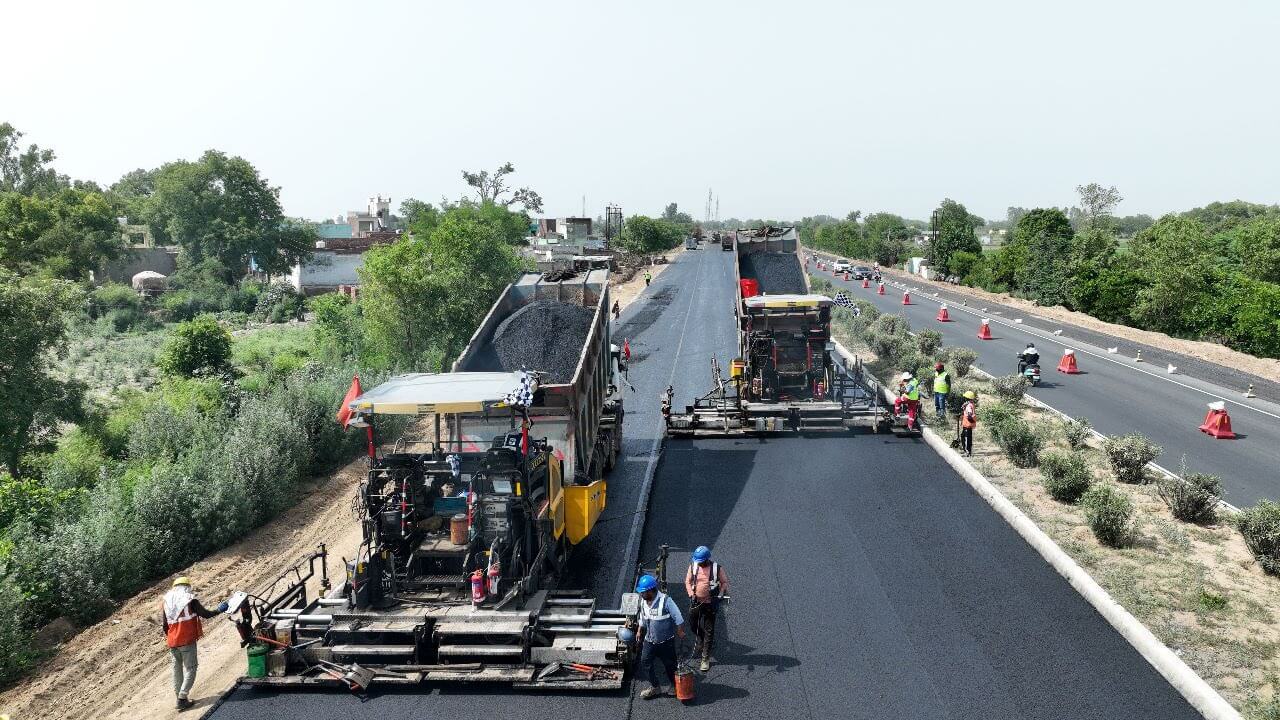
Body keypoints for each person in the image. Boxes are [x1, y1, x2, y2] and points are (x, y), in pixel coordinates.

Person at [162, 577, 227, 711]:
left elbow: (165, 625)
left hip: (173, 642)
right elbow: (206, 614)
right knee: (191, 668)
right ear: (186, 587)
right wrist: (219, 610)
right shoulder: (190, 600)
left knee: (177, 670)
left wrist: (172, 637)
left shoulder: (166, 602)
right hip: (186, 640)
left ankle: (180, 697)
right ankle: (182, 698)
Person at [634, 574, 687, 700]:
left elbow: (678, 617)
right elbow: (642, 617)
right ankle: (655, 687)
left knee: (670, 665)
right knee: (645, 662)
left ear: (651, 590)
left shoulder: (666, 601)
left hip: (665, 642)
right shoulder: (643, 602)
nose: (641, 594)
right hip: (649, 640)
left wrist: (680, 631)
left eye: (643, 592)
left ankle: (674, 685)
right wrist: (639, 630)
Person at [683, 545, 729, 671]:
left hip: (711, 603)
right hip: (696, 602)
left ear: (707, 559)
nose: (699, 563)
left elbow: (724, 583)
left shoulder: (717, 568)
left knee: (709, 629)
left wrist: (720, 594)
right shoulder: (693, 566)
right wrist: (691, 594)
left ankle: (705, 658)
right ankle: (702, 640)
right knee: (692, 623)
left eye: (701, 561)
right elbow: (687, 581)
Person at [960, 390, 978, 456]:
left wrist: (970, 420)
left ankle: (967, 452)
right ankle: (966, 450)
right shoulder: (970, 404)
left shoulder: (969, 406)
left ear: (967, 398)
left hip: (968, 424)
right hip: (967, 424)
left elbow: (969, 414)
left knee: (967, 438)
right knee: (963, 436)